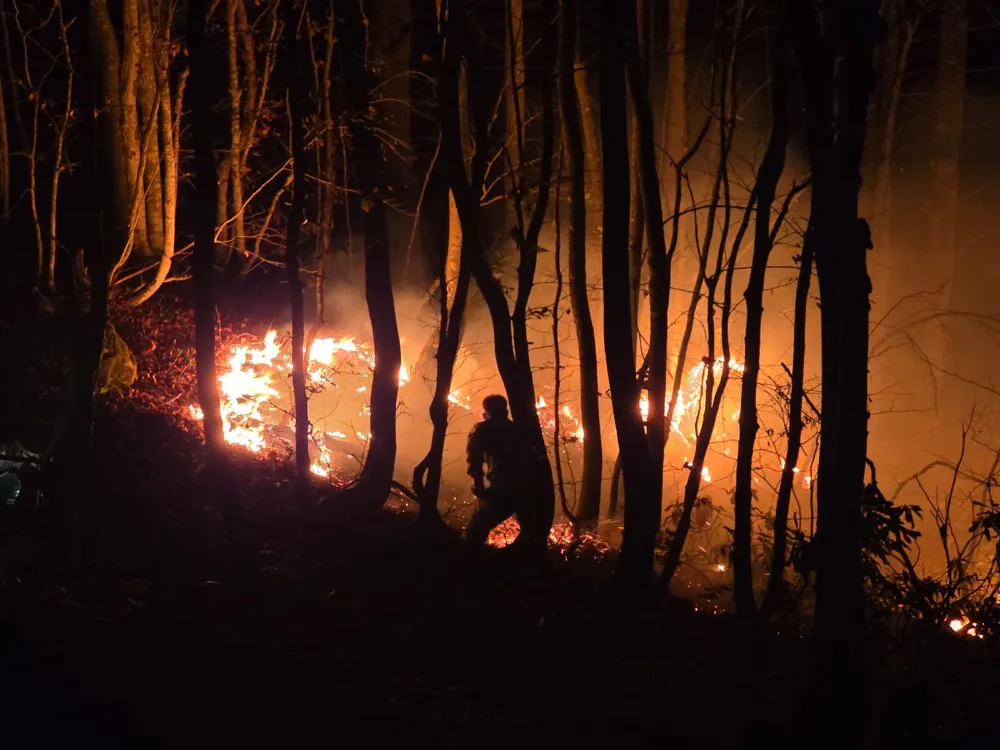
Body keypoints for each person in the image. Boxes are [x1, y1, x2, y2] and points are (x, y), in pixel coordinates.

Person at [465, 394, 538, 549]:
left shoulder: (481, 430)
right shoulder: (518, 429)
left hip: (502, 489)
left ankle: (468, 565)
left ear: (486, 412)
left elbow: (474, 464)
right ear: (505, 411)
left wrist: (479, 488)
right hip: (527, 488)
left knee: (475, 530)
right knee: (530, 532)